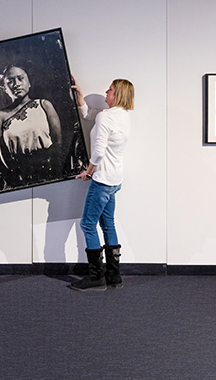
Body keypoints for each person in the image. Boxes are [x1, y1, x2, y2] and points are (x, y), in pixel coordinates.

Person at [70, 77, 134, 291]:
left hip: (102, 180)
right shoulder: (123, 116)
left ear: (118, 95)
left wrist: (88, 172)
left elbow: (98, 151)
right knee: (108, 224)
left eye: (110, 90)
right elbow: (88, 113)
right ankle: (114, 276)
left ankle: (97, 277)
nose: (106, 92)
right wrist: (79, 94)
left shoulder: (107, 118)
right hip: (115, 180)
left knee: (88, 224)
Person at [0, 65, 61, 186]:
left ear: (29, 82)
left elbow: (58, 141)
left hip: (50, 169)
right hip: (22, 176)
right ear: (4, 88)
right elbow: (3, 153)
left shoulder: (44, 105)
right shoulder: (0, 116)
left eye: (20, 78)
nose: (16, 84)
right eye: (10, 81)